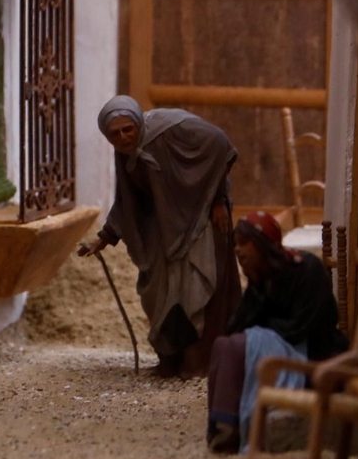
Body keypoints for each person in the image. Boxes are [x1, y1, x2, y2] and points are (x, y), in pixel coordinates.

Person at [79, 95, 241, 378]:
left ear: (137, 123)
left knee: (198, 291)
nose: (124, 136)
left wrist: (217, 200)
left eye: (128, 129)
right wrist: (103, 238)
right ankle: (171, 360)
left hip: (200, 222)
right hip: (164, 232)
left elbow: (219, 144)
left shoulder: (171, 129)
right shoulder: (125, 152)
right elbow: (128, 201)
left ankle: (199, 363)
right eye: (115, 133)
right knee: (159, 293)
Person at [207, 211, 348, 453]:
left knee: (236, 345)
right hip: (285, 344)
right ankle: (223, 424)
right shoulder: (261, 280)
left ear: (263, 246)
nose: (238, 252)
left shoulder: (307, 270)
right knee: (223, 344)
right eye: (236, 246)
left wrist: (256, 333)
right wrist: (257, 301)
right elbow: (237, 325)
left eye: (245, 244)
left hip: (315, 352)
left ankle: (231, 430)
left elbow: (300, 327)